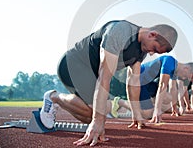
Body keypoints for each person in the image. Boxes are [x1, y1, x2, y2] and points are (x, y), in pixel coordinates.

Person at [39, 20, 178, 146]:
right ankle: (53, 97)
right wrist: (98, 120)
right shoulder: (120, 32)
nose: (152, 53)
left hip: (92, 74)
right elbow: (104, 77)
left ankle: (83, 111)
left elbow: (133, 81)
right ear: (152, 34)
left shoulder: (141, 50)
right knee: (95, 114)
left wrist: (136, 113)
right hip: (73, 65)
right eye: (154, 48)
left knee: (97, 113)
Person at [137, 55, 193, 123]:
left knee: (168, 100)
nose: (184, 78)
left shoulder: (175, 71)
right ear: (186, 68)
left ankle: (148, 105)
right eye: (186, 76)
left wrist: (174, 107)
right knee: (149, 114)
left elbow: (172, 89)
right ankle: (126, 103)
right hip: (138, 82)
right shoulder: (169, 61)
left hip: (148, 84)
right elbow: (162, 86)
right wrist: (157, 111)